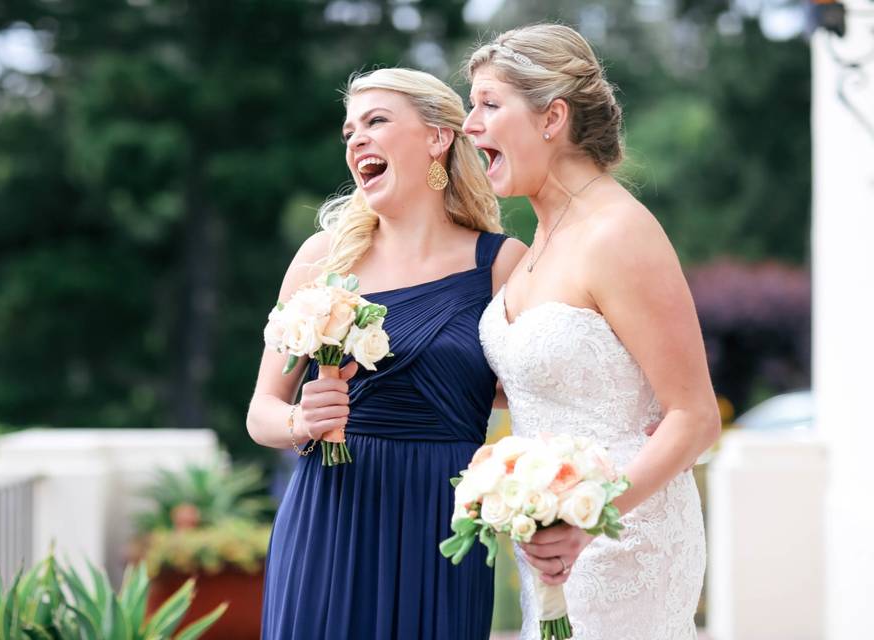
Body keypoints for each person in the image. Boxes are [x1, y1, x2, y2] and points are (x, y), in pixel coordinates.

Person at [246, 67, 526, 639]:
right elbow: (261, 413)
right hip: (330, 518)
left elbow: (526, 393)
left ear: (437, 137)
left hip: (442, 522)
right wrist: (302, 418)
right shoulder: (324, 258)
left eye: (376, 121)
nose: (356, 140)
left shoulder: (501, 263)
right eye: (349, 131)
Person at [465, 24, 721, 640]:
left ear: (552, 117)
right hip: (550, 545)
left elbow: (696, 416)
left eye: (489, 105)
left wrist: (587, 519)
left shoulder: (619, 232)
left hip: (622, 537)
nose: (471, 125)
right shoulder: (536, 245)